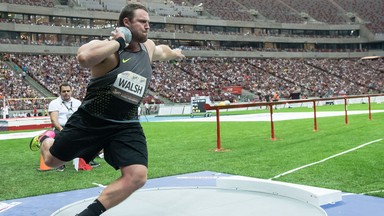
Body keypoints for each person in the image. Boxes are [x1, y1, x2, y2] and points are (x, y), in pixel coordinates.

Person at [29, 3, 184, 216]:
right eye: (142, 21)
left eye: (149, 22)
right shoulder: (107, 49)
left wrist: (174, 52)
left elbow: (161, 52)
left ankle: (89, 214)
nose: (148, 26)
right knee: (52, 161)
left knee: (137, 176)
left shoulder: (147, 47)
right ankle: (47, 137)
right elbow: (84, 58)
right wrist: (118, 42)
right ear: (126, 22)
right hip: (91, 120)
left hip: (126, 123)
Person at [47, 83, 99, 171]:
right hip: (61, 128)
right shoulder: (54, 103)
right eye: (64, 91)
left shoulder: (77, 102)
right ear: (60, 92)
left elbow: (83, 117)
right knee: (60, 137)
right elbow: (54, 120)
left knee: (91, 136)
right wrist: (61, 129)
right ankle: (59, 163)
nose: (66, 93)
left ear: (71, 92)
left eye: (68, 91)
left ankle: (87, 160)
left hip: (76, 127)